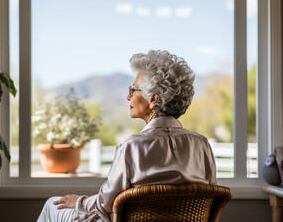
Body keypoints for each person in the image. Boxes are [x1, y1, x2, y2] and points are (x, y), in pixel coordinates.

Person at [37, 49, 217, 222]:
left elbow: (106, 204)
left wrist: (80, 202)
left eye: (133, 90)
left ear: (153, 99)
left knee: (51, 206)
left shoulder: (132, 146)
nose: (127, 96)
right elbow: (209, 199)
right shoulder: (202, 145)